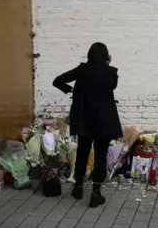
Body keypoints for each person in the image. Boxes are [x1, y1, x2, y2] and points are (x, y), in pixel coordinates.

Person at [53, 42, 123, 208]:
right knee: (101, 156)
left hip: (85, 119)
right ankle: (96, 193)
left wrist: (72, 91)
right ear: (107, 56)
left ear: (89, 55)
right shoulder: (111, 73)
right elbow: (111, 85)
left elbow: (58, 81)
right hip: (104, 120)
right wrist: (107, 64)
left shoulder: (82, 70)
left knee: (83, 153)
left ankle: (78, 187)